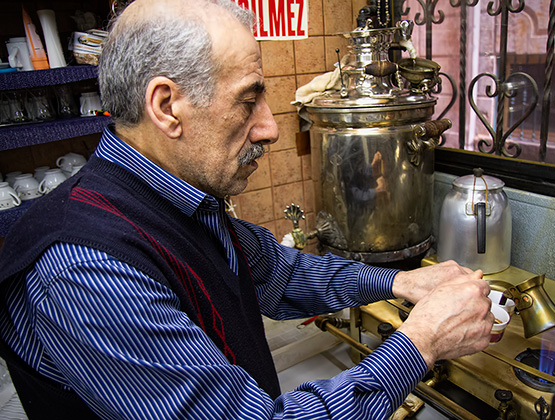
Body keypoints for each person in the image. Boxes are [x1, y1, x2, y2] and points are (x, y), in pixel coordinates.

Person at [0, 0, 493, 418]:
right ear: (167, 107)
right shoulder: (86, 267)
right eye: (248, 100)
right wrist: (422, 341)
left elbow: (278, 273)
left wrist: (399, 282)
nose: (270, 129)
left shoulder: (180, 199)